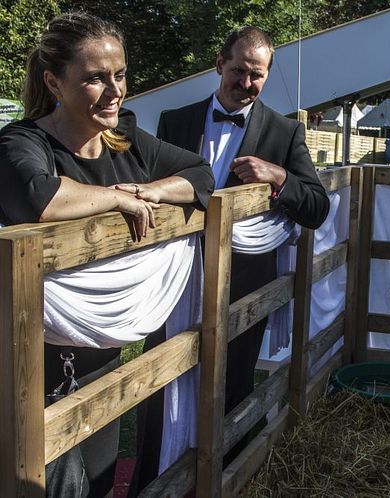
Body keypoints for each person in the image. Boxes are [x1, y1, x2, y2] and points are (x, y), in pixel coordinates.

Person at [0, 12, 214, 497]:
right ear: (54, 81)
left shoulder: (128, 140)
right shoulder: (22, 141)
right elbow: (39, 196)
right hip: (31, 355)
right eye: (96, 78)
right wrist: (118, 199)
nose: (115, 90)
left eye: (119, 75)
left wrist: (149, 189)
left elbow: (201, 175)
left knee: (98, 478)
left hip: (103, 351)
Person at [130, 25, 330, 491]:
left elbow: (317, 207)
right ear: (219, 64)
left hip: (243, 286)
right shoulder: (174, 122)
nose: (245, 83)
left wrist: (279, 176)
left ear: (267, 76)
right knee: (160, 385)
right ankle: (153, 481)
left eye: (256, 75)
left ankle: (229, 478)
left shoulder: (285, 132)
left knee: (231, 384)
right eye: (238, 70)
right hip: (172, 280)